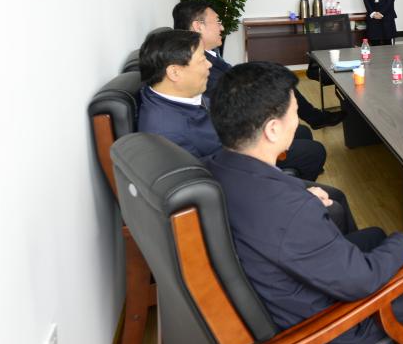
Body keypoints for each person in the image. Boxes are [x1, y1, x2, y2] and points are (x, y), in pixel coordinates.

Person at [204, 61, 403, 344]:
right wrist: (402, 244)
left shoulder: (218, 167)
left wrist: (302, 196)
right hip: (333, 324)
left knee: (375, 236)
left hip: (289, 290)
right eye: (295, 113)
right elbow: (361, 280)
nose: (297, 120)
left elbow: (278, 216)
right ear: (272, 129)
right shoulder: (291, 211)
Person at [136, 29, 356, 232]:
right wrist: (288, 192)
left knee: (304, 138)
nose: (209, 65)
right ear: (174, 72)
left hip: (238, 161)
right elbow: (215, 184)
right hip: (243, 190)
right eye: (202, 59)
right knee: (334, 199)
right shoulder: (167, 131)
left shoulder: (171, 97)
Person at [172, 0, 340, 129]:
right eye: (218, 22)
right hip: (240, 107)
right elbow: (226, 95)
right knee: (278, 78)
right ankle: (313, 118)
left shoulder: (204, 51)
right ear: (198, 26)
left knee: (276, 72)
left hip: (238, 90)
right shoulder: (196, 63)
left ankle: (314, 117)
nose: (221, 28)